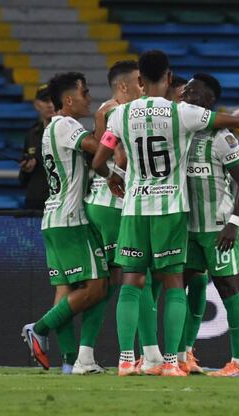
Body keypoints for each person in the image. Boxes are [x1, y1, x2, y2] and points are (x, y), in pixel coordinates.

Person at [92, 50, 239, 377]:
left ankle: (125, 360)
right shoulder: (181, 113)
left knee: (131, 281)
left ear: (138, 80)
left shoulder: (119, 116)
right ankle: (169, 363)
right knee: (174, 283)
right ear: (168, 77)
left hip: (134, 208)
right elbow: (230, 121)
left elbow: (98, 161)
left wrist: (113, 178)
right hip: (170, 210)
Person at [21, 72, 112, 375]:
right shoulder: (65, 124)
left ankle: (70, 362)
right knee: (98, 286)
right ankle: (40, 328)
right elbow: (97, 148)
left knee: (66, 291)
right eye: (85, 93)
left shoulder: (50, 128)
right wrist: (105, 118)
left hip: (54, 218)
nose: (89, 98)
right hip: (71, 219)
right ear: (69, 99)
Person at [83, 60, 166, 372]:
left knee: (116, 283)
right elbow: (118, 157)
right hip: (115, 205)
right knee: (135, 278)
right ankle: (144, 355)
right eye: (137, 83)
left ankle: (86, 355)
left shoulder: (118, 111)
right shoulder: (113, 112)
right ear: (122, 87)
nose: (142, 88)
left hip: (112, 204)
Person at [176, 73, 239, 377]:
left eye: (192, 94)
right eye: (185, 92)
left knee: (227, 288)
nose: (185, 97)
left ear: (208, 102)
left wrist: (234, 221)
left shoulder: (222, 138)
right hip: (188, 228)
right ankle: (182, 355)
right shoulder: (182, 133)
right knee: (180, 288)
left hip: (218, 228)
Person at [19, 84, 55, 210]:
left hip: (58, 202)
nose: (50, 105)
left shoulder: (70, 132)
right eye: (45, 101)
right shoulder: (31, 135)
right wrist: (26, 168)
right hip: (35, 201)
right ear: (36, 105)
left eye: (54, 100)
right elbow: (22, 179)